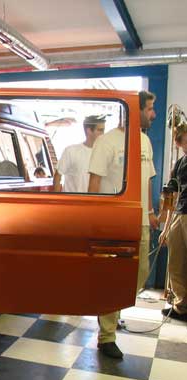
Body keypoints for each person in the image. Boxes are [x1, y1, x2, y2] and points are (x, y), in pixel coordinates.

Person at [87, 91, 159, 359]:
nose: (153, 114)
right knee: (113, 278)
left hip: (140, 221)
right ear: (134, 109)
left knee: (140, 274)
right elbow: (95, 182)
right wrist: (94, 219)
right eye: (149, 109)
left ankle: (111, 310)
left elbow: (148, 179)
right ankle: (106, 336)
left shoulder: (145, 140)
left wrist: (150, 212)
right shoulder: (107, 142)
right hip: (114, 223)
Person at [159, 125, 187, 322]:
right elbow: (171, 196)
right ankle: (181, 305)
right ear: (178, 143)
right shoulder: (179, 164)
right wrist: (166, 227)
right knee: (175, 263)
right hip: (180, 214)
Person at [53, 115, 106, 192]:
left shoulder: (105, 153)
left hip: (95, 199)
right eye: (100, 130)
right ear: (89, 131)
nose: (103, 134)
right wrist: (58, 198)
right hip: (73, 199)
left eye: (103, 130)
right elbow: (57, 178)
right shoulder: (71, 151)